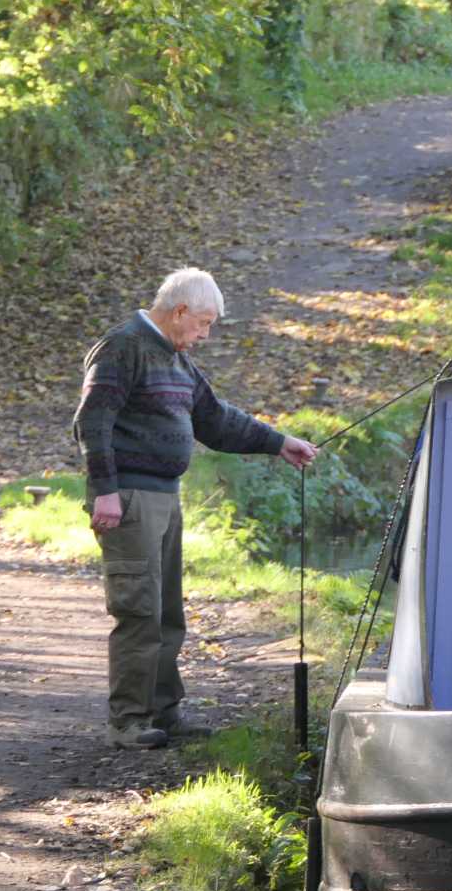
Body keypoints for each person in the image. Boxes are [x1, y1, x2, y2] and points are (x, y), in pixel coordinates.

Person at [72, 269, 318, 749]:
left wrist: (278, 442)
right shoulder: (124, 347)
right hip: (128, 499)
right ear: (179, 311)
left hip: (166, 496)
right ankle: (128, 721)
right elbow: (92, 420)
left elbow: (215, 418)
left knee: (167, 612)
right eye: (203, 323)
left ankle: (165, 712)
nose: (204, 335)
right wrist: (104, 490)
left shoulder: (176, 359)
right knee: (138, 609)